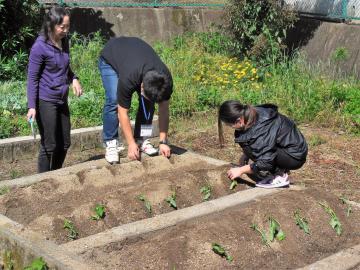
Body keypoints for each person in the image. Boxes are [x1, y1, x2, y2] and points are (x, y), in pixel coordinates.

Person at [98, 36, 173, 163]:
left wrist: (163, 141)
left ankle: (141, 138)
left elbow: (164, 110)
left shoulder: (165, 81)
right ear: (141, 85)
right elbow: (122, 112)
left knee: (147, 104)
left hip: (136, 57)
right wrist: (130, 144)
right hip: (111, 57)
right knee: (113, 99)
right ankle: (111, 143)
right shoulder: (129, 78)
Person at [26, 6, 83, 173]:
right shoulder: (39, 47)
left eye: (68, 26)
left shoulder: (64, 41)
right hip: (45, 99)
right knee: (49, 145)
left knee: (65, 142)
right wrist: (32, 106)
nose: (66, 30)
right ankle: (42, 181)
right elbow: (32, 78)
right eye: (62, 27)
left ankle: (55, 175)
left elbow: (65, 68)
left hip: (61, 98)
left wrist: (74, 78)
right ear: (51, 25)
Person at [218, 100, 308, 189]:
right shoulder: (250, 115)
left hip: (295, 156)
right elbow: (262, 143)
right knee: (248, 145)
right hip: (287, 149)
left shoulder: (262, 127)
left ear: (239, 121)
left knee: (261, 157)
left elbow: (266, 161)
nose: (230, 127)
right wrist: (246, 155)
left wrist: (241, 170)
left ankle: (280, 176)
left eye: (229, 125)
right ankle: (278, 171)